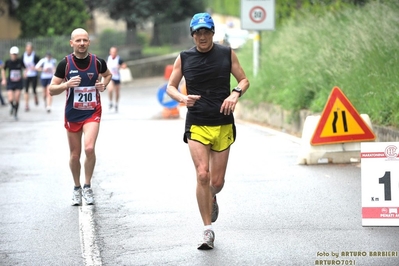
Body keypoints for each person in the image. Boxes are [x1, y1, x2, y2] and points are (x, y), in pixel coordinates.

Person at [166, 13, 250, 250]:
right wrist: (182, 98)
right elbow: (170, 87)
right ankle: (207, 231)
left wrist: (235, 93)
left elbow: (244, 80)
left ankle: (212, 196)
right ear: (192, 35)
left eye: (206, 32)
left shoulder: (226, 53)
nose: (202, 37)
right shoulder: (184, 58)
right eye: (198, 33)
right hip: (197, 123)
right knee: (202, 174)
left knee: (217, 181)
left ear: (213, 33)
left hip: (223, 123)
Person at [49, 28, 112, 206]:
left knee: (90, 148)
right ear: (72, 43)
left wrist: (103, 84)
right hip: (72, 114)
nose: (82, 43)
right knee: (75, 155)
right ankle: (77, 187)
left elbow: (108, 75)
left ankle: (87, 186)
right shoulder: (65, 64)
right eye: (78, 40)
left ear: (89, 42)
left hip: (92, 111)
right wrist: (66, 85)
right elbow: (51, 89)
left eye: (85, 40)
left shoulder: (97, 62)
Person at [1, 46, 25, 120]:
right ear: (10, 54)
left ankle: (15, 114)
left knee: (17, 99)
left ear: (17, 54)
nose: (14, 55)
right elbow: (3, 70)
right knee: (10, 99)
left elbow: (25, 69)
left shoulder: (20, 61)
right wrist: (4, 79)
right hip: (10, 82)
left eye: (15, 54)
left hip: (18, 82)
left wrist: (25, 73)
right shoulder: (8, 62)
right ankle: (12, 107)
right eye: (13, 54)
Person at [107, 46, 127, 112]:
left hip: (117, 77)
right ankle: (110, 102)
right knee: (110, 89)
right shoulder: (108, 58)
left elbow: (124, 66)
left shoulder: (119, 59)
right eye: (112, 52)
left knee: (117, 92)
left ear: (116, 52)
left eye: (114, 52)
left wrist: (120, 66)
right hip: (110, 77)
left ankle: (116, 104)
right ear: (110, 52)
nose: (113, 53)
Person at [22, 42, 40, 111]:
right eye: (27, 49)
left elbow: (39, 64)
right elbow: (22, 65)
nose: (28, 50)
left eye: (29, 49)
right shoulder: (23, 56)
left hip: (33, 74)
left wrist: (35, 67)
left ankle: (35, 96)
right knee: (26, 90)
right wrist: (24, 72)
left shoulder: (35, 56)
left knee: (34, 89)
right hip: (27, 75)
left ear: (32, 49)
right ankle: (26, 105)